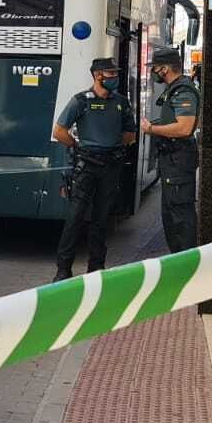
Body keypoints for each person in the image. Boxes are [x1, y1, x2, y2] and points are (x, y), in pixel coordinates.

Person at [52, 57, 136, 279]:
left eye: (114, 74)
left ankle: (97, 268)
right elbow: (59, 131)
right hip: (87, 165)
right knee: (75, 217)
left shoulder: (121, 102)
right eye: (110, 75)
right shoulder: (81, 101)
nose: (114, 78)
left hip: (111, 166)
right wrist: (78, 147)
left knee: (101, 219)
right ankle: (63, 270)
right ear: (98, 76)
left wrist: (114, 143)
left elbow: (130, 134)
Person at [141, 46, 201, 252]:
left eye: (155, 68)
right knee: (171, 218)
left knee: (180, 219)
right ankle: (178, 267)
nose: (153, 72)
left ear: (165, 68)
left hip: (178, 161)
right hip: (172, 161)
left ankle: (187, 269)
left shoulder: (183, 90)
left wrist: (152, 128)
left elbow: (184, 127)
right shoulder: (174, 88)